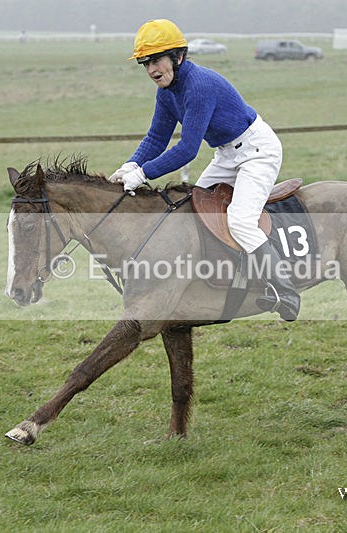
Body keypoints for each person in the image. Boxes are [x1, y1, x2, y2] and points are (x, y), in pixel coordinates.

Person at [109, 19, 299, 320]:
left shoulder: (198, 86)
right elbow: (157, 137)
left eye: (156, 60)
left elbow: (187, 149)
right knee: (192, 207)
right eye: (145, 64)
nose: (151, 70)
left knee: (240, 221)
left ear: (178, 57)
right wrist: (131, 164)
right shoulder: (167, 91)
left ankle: (285, 292)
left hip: (257, 152)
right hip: (226, 154)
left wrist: (143, 174)